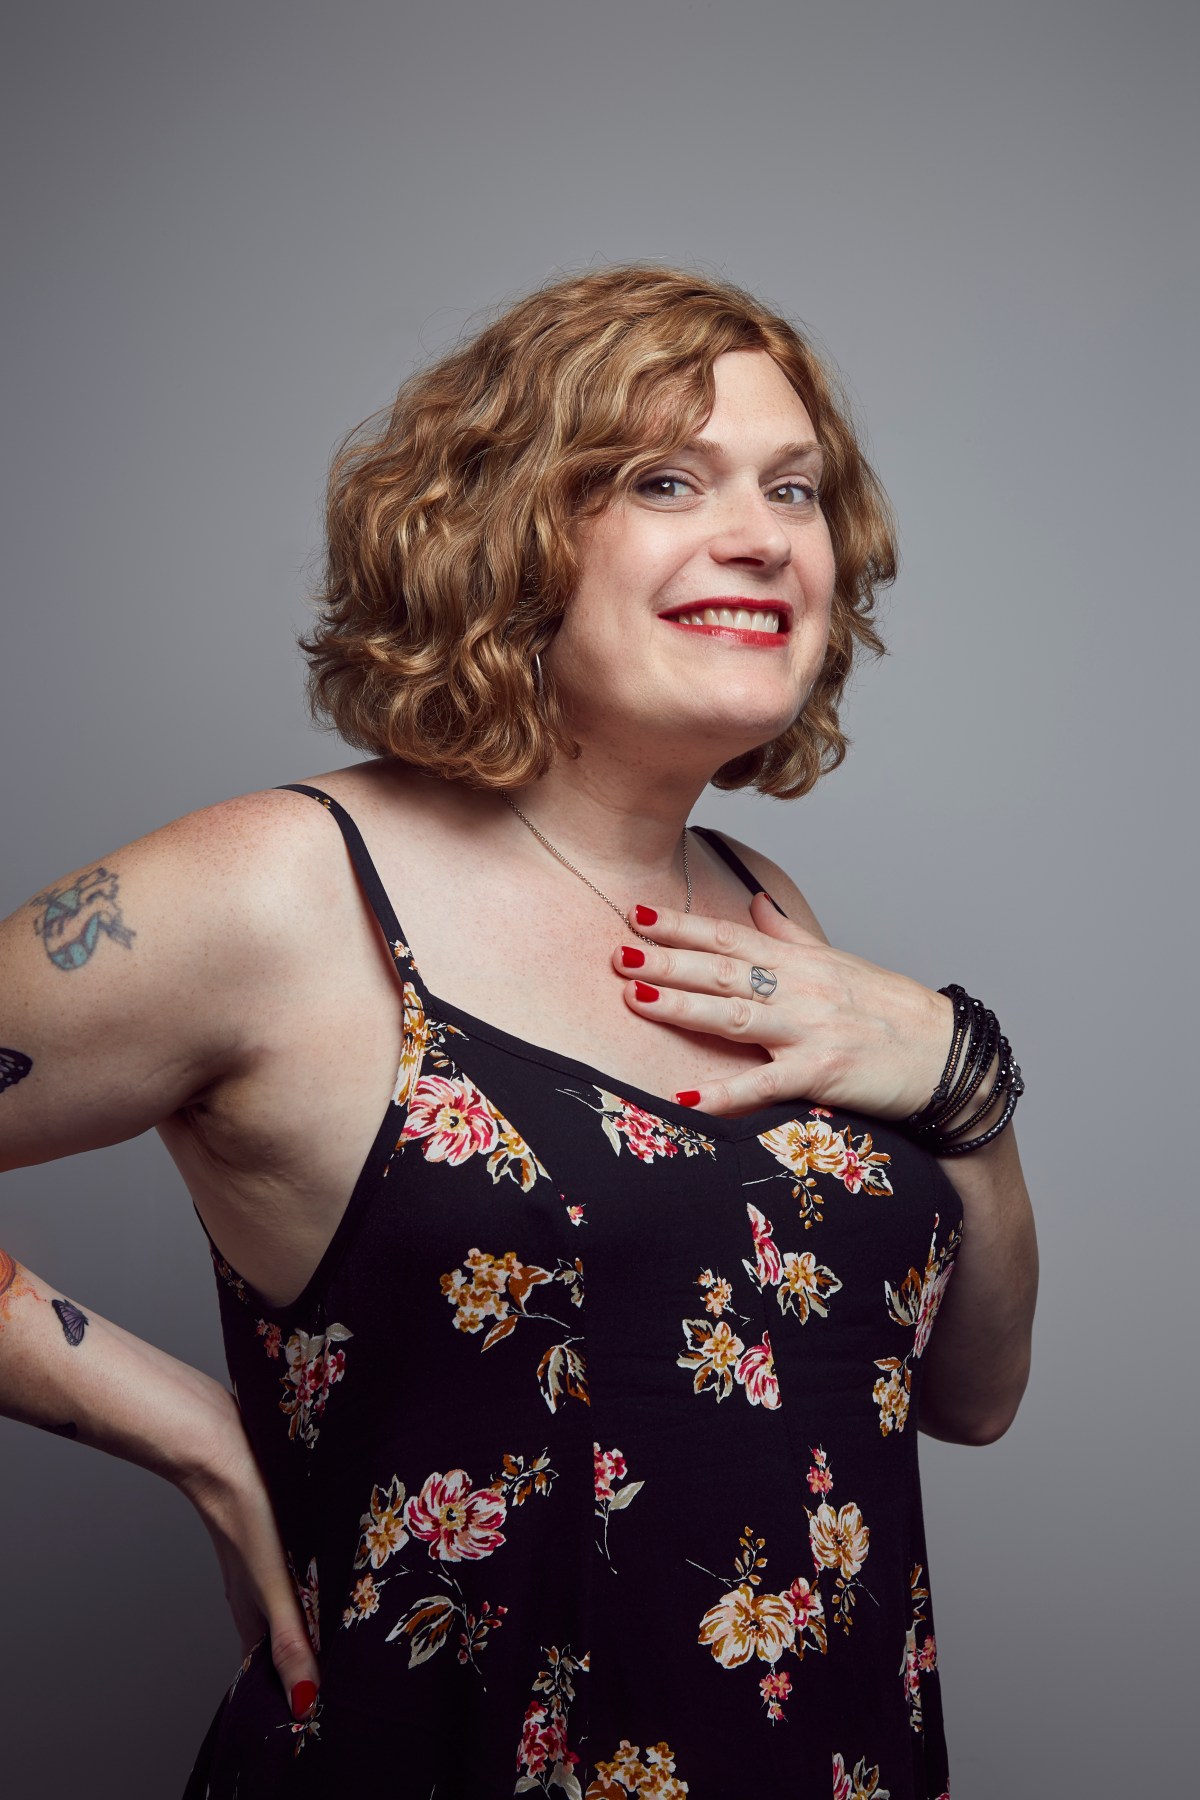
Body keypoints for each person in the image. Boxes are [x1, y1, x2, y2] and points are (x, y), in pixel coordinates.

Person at [0, 266, 1037, 1798]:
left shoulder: (763, 907)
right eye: (666, 479)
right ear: (505, 530)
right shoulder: (284, 890)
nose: (760, 534)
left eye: (795, 487)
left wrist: (970, 1096)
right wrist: (194, 1433)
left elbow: (970, 1397)